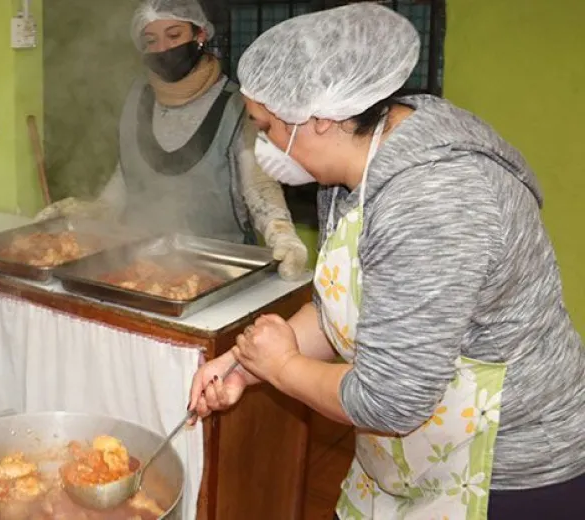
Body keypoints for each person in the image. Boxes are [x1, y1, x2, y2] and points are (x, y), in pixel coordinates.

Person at [188, 4, 585, 519]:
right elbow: (341, 307)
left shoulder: (435, 199)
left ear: (322, 119)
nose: (261, 143)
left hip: (508, 471)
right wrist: (245, 367)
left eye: (265, 125)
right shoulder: (353, 167)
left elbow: (389, 401)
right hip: (411, 456)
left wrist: (283, 367)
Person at [36, 0, 308, 280]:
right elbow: (127, 174)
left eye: (174, 35)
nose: (163, 48)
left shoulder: (237, 106)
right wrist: (98, 208)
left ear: (200, 35)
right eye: (150, 40)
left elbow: (259, 184)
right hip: (137, 262)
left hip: (220, 267)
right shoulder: (136, 99)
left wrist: (281, 233)